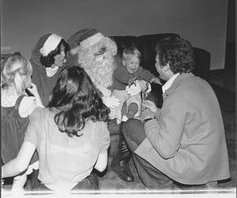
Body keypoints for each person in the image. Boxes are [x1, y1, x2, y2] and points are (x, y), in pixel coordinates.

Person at [122, 36, 230, 189]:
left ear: (166, 66)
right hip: (212, 164)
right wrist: (158, 112)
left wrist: (148, 119)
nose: (154, 64)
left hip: (193, 168)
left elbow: (166, 150)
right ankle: (205, 182)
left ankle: (161, 186)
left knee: (131, 126)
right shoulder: (201, 83)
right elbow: (187, 120)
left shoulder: (178, 96)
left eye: (157, 61)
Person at [2, 66, 110, 191]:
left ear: (59, 89)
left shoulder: (40, 116)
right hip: (81, 189)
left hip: (47, 190)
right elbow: (101, 167)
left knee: (36, 167)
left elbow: (21, 165)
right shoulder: (99, 123)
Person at [67, 29, 148, 183]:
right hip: (94, 105)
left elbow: (137, 73)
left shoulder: (115, 60)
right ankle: (88, 167)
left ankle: (121, 162)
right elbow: (78, 92)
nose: (105, 57)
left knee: (131, 118)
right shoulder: (80, 70)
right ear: (89, 56)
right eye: (99, 54)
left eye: (106, 52)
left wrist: (141, 84)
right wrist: (100, 99)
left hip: (120, 101)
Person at [1, 53, 43, 193]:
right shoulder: (26, 102)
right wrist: (36, 95)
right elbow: (43, 118)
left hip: (5, 150)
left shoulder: (2, 94)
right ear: (24, 78)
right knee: (20, 181)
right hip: (22, 152)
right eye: (30, 75)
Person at [112, 45, 161, 122]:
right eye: (132, 63)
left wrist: (152, 78)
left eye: (137, 63)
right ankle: (116, 116)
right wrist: (132, 80)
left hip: (133, 92)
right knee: (116, 102)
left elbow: (145, 74)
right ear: (124, 62)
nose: (134, 66)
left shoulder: (138, 70)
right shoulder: (120, 70)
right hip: (120, 91)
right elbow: (121, 77)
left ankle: (131, 113)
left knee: (136, 100)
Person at [30, 33, 70, 106]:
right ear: (50, 53)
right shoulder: (32, 69)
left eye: (64, 51)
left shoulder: (66, 70)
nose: (64, 55)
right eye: (60, 52)